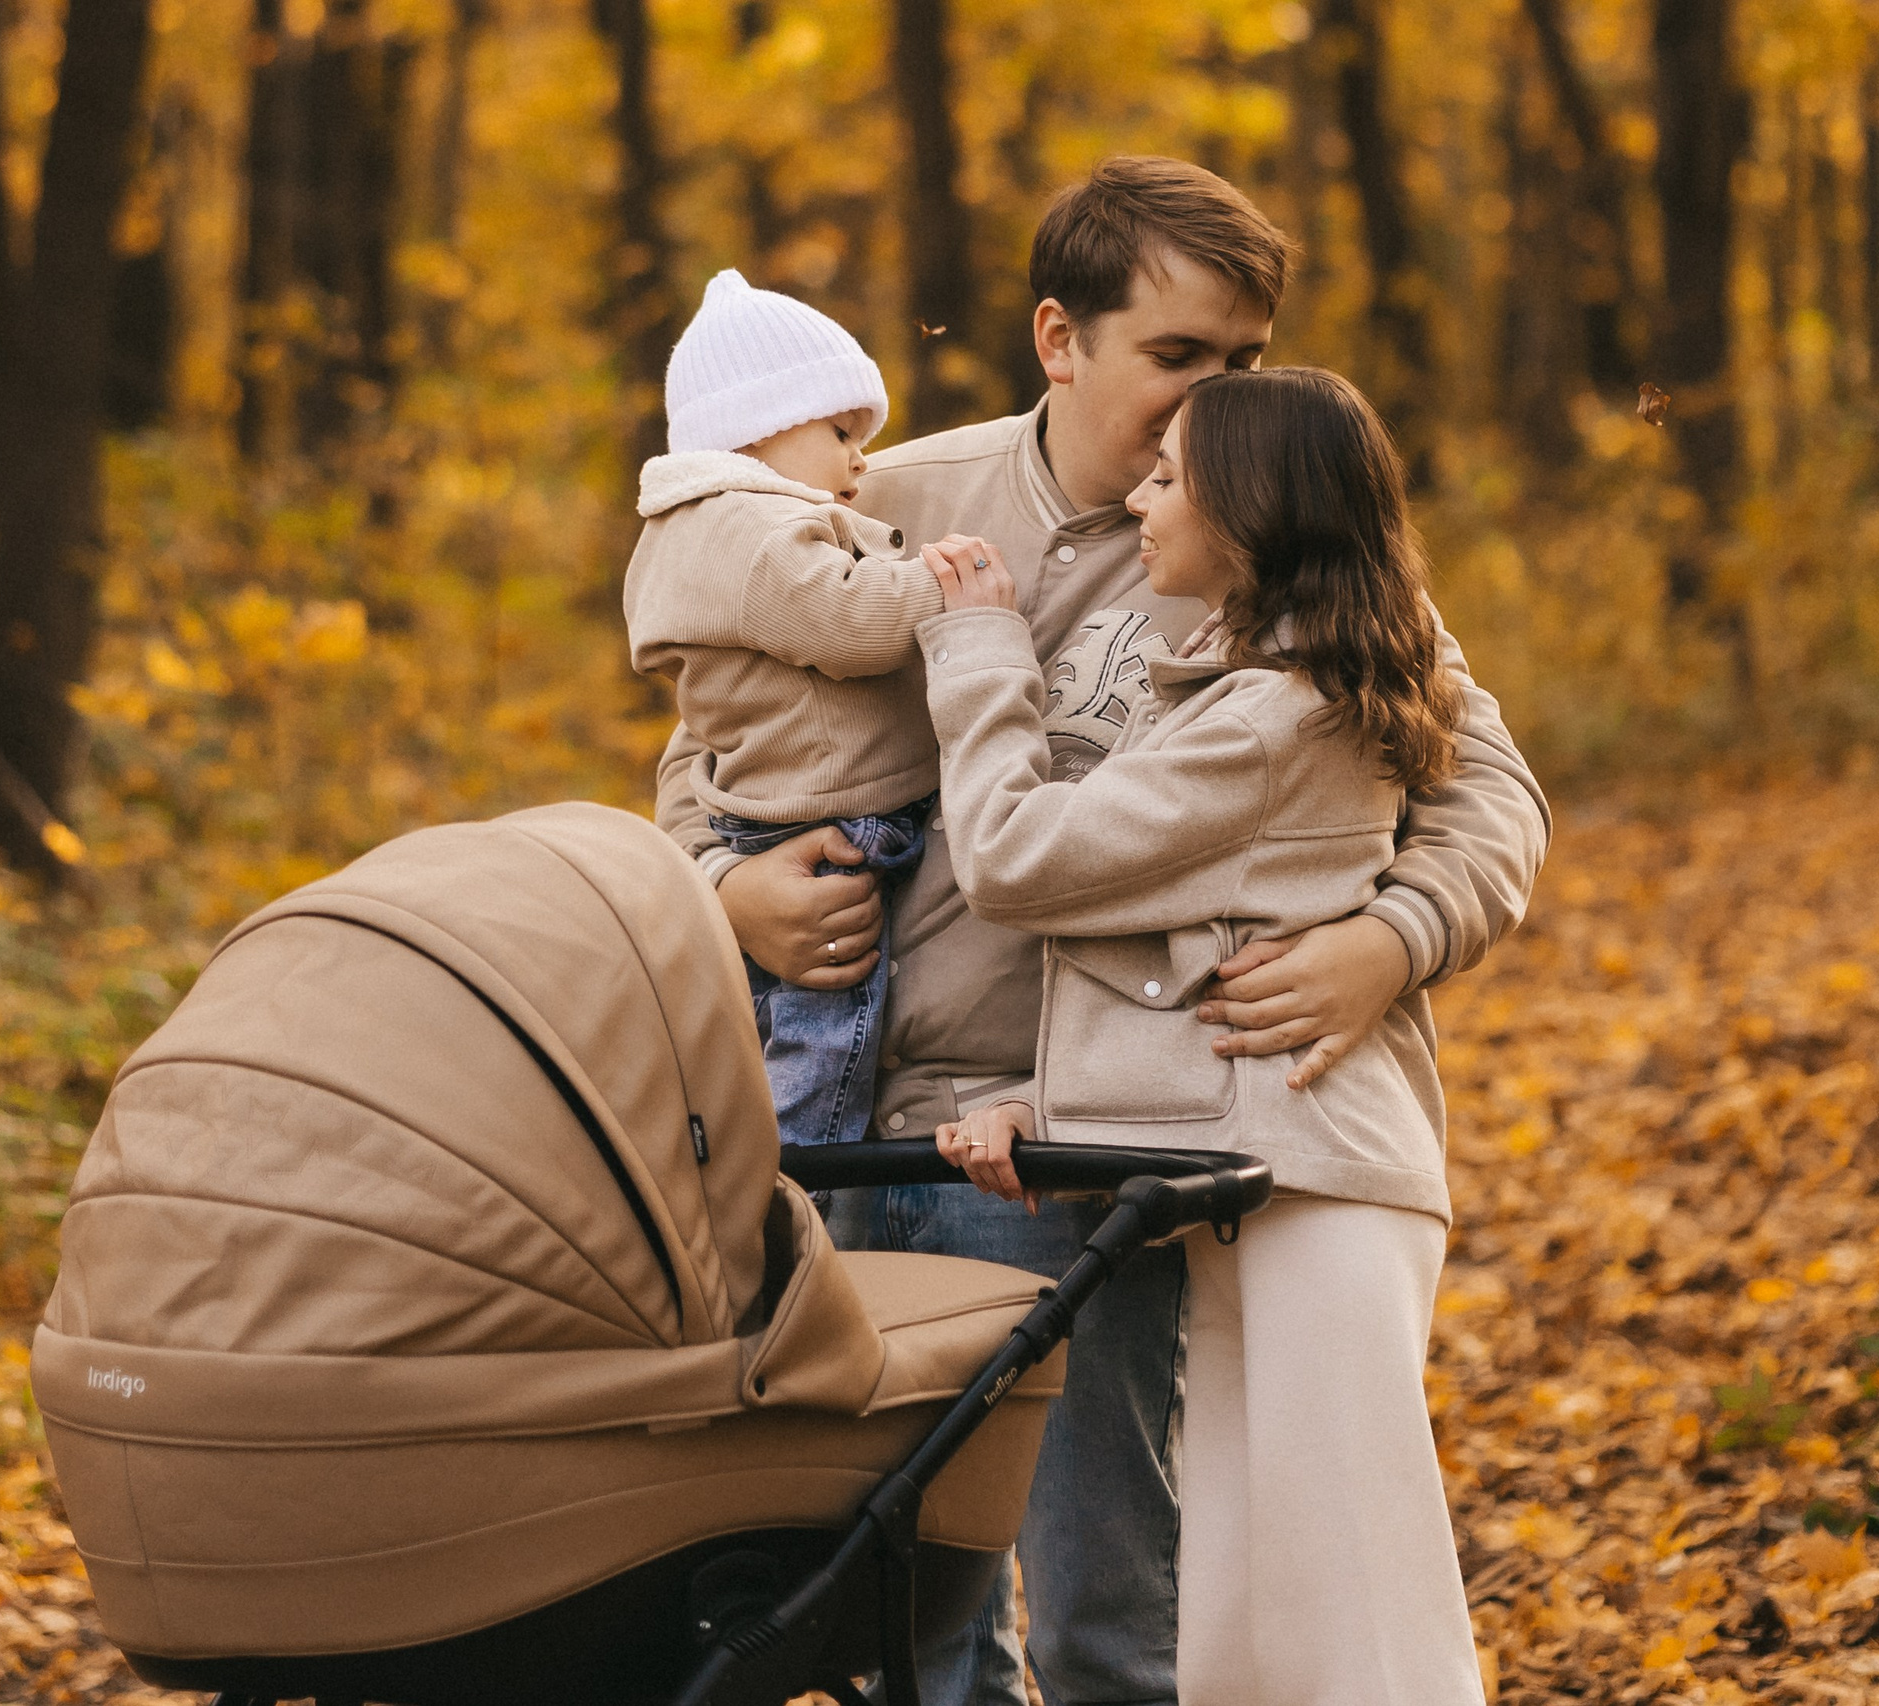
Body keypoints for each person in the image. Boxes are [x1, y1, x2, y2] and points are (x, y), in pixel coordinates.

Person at [656, 157, 1548, 1704]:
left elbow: (1483, 792)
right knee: (897, 1618)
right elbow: (708, 743)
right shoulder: (886, 503)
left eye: (1245, 363)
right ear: (1060, 339)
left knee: (1110, 1612)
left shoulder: (1270, 529)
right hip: (859, 1123)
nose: (1212, 395)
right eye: (1178, 357)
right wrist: (721, 887)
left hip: (1090, 1137)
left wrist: (1391, 938)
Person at [923, 368, 1487, 1705]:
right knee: (1239, 1641)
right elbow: (1172, 971)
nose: (1139, 497)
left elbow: (1013, 858)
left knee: (1359, 1630)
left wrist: (981, 649)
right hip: (1247, 1187)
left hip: (1319, 1188)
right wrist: (1033, 1101)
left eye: (1171, 475)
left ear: (1251, 509)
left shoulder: (1270, 713)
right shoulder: (1250, 682)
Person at [625, 268, 941, 1149]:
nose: (862, 458)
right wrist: (944, 586)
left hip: (768, 813)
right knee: (825, 1032)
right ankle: (792, 1180)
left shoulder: (694, 530)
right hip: (828, 819)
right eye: (841, 430)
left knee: (777, 1021)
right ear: (756, 431)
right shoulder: (747, 532)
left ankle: (751, 1160)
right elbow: (850, 626)